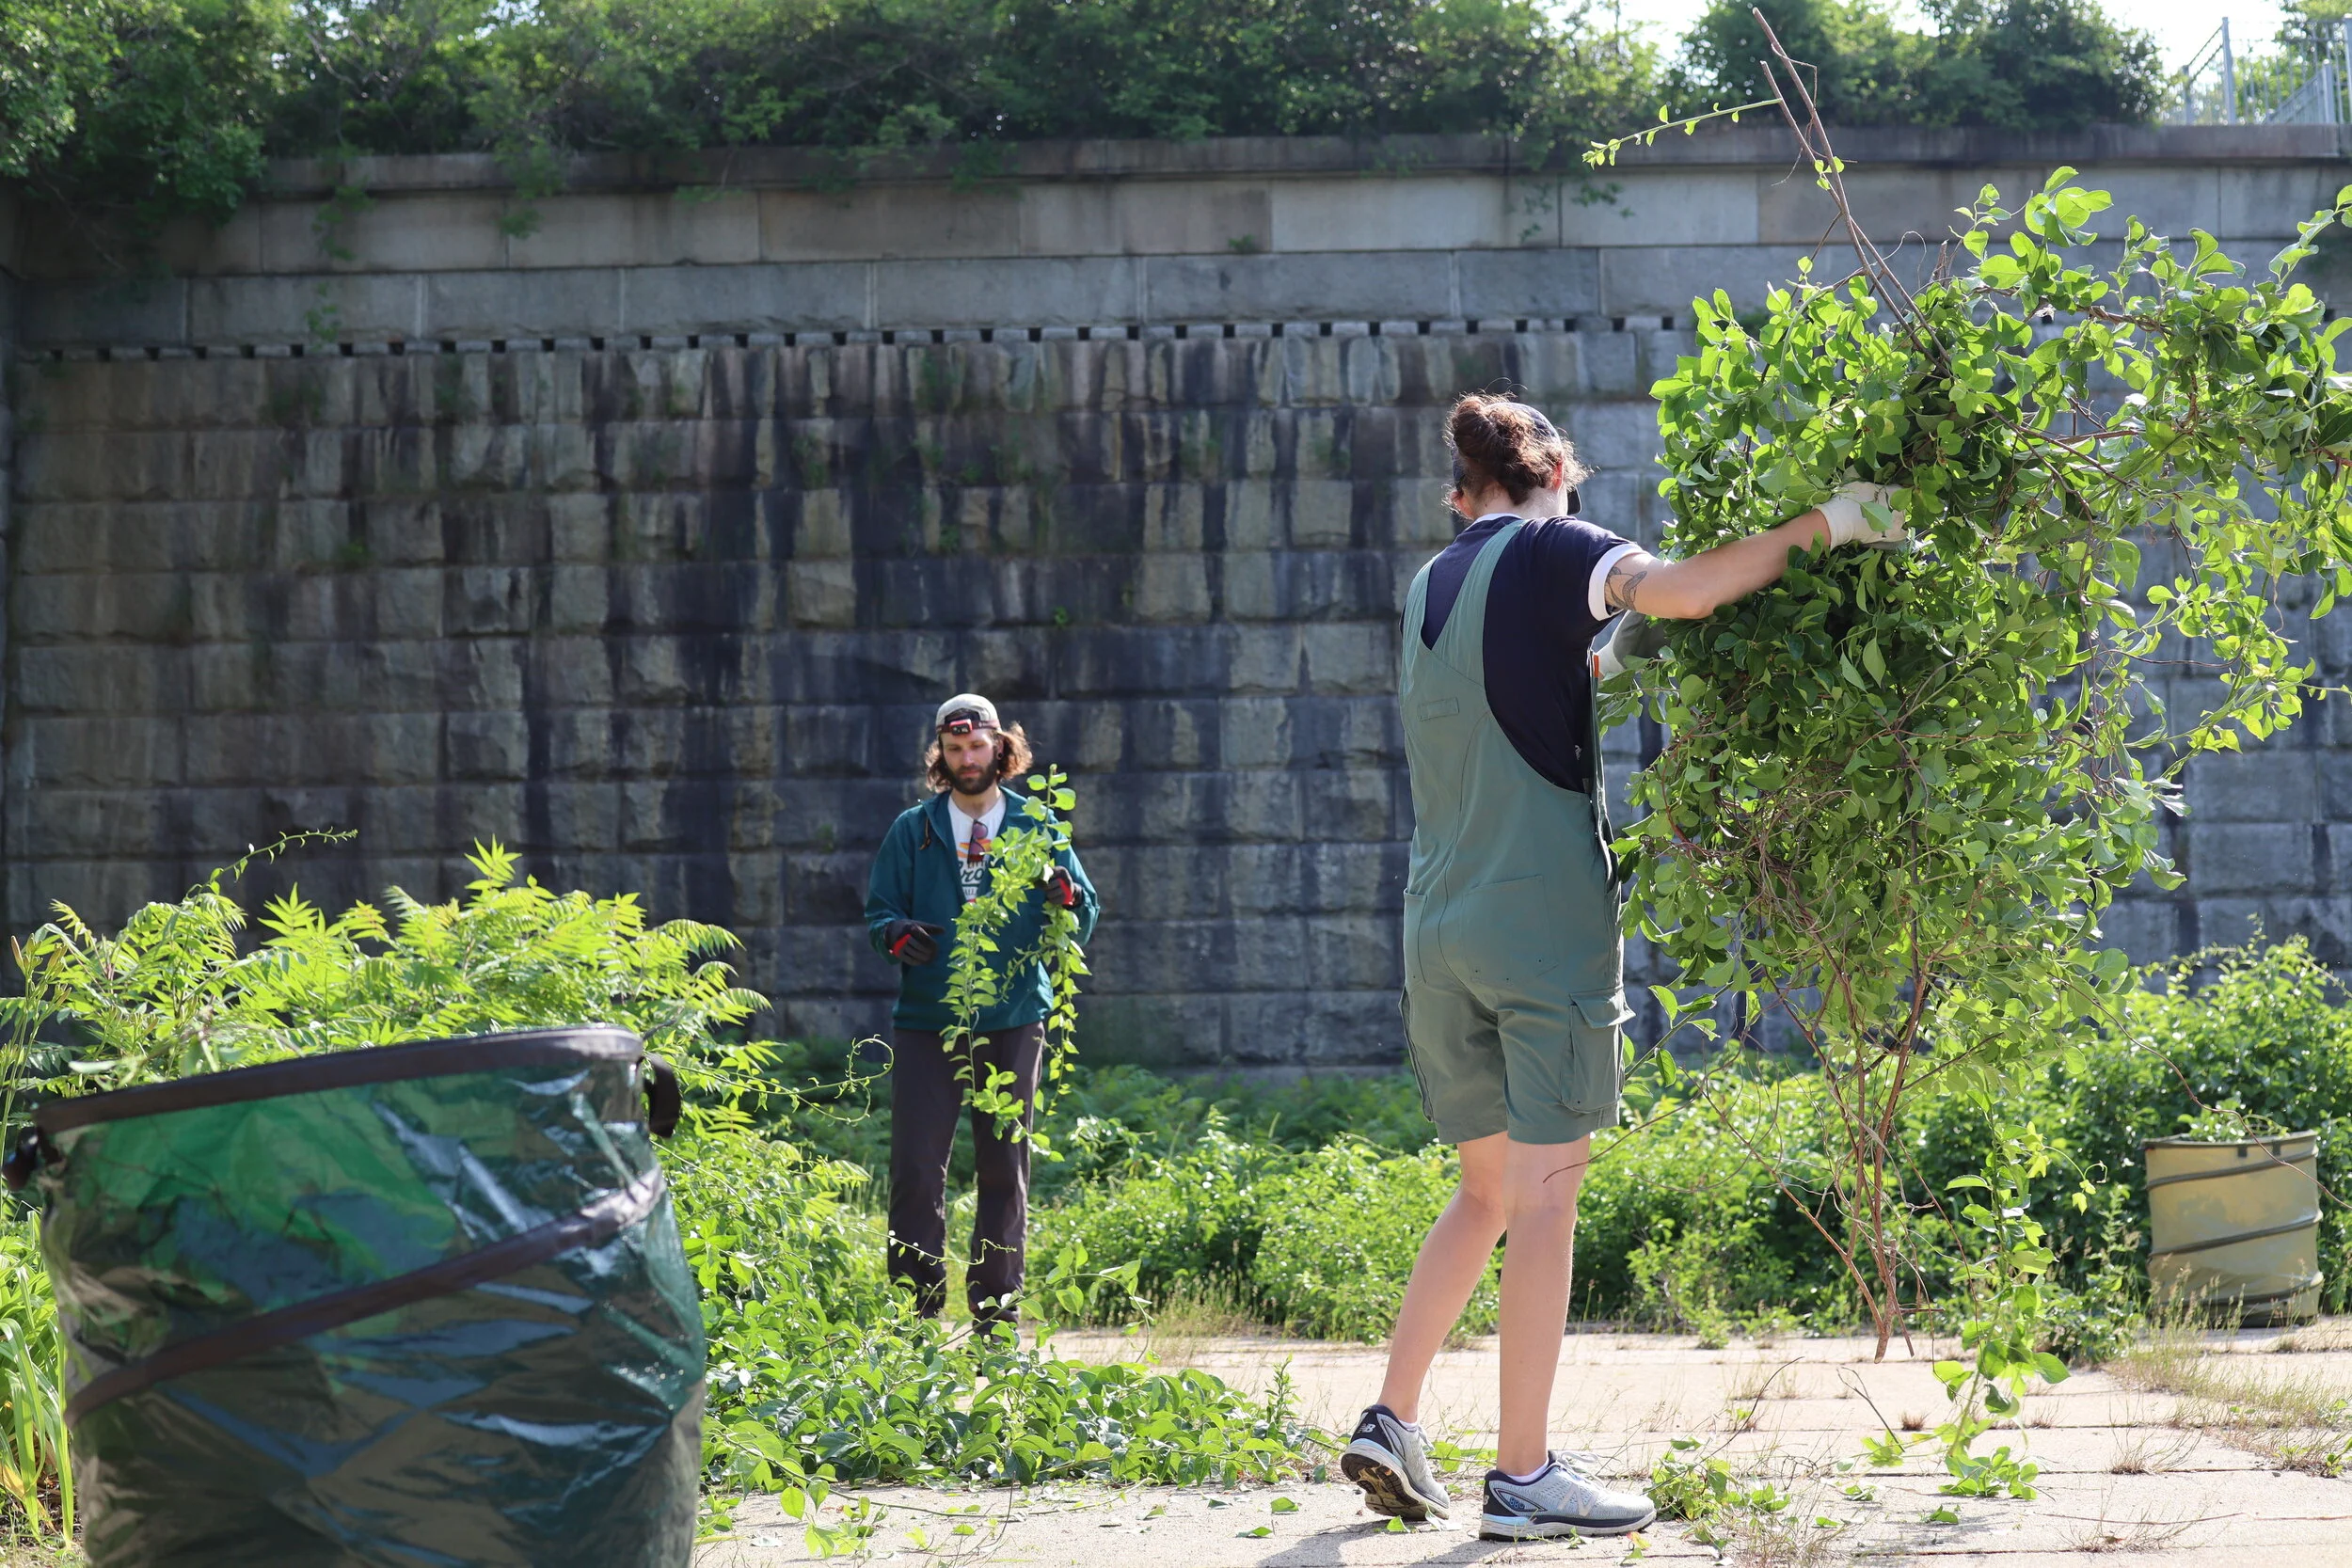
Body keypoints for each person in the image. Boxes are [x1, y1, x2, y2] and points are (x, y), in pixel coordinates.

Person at [1341, 394, 1905, 1541]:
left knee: (1487, 1190)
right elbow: (1688, 588)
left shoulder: (1431, 585)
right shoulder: (1561, 546)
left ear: (1463, 492)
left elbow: (1519, 698)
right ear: (1552, 470)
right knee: (1549, 1193)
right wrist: (1834, 523)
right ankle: (1524, 1473)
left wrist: (1610, 656)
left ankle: (1390, 1418)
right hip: (1537, 918)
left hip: (1435, 920)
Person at [864, 693, 1100, 1327]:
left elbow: (1087, 910)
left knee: (1004, 1171)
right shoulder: (913, 830)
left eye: (977, 745)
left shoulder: (1037, 824)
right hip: (928, 1021)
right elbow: (878, 911)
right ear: (940, 753)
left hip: (1015, 1017)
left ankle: (995, 1318)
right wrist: (894, 935)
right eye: (954, 747)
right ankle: (914, 1316)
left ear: (1001, 746)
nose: (967, 758)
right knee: (916, 1169)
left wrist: (1067, 896)